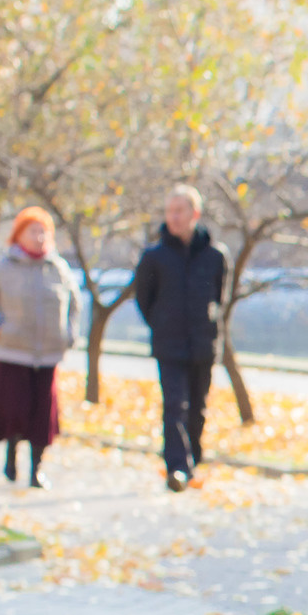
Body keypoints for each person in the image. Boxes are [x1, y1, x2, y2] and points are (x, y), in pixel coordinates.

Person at [0, 206, 81, 490]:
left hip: (47, 355)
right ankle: (11, 457)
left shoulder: (57, 267)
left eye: (44, 231)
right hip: (13, 351)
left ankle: (37, 470)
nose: (40, 236)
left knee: (42, 414)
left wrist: (69, 334)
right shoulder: (3, 266)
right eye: (34, 230)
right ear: (19, 234)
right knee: (15, 411)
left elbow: (74, 303)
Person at [130, 183, 226, 492]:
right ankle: (177, 468)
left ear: (194, 213)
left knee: (198, 407)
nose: (173, 217)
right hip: (169, 344)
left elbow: (220, 295)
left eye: (179, 210)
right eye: (169, 211)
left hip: (202, 344)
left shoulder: (214, 255)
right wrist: (160, 323)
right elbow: (144, 299)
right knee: (174, 405)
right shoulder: (154, 257)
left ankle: (192, 460)